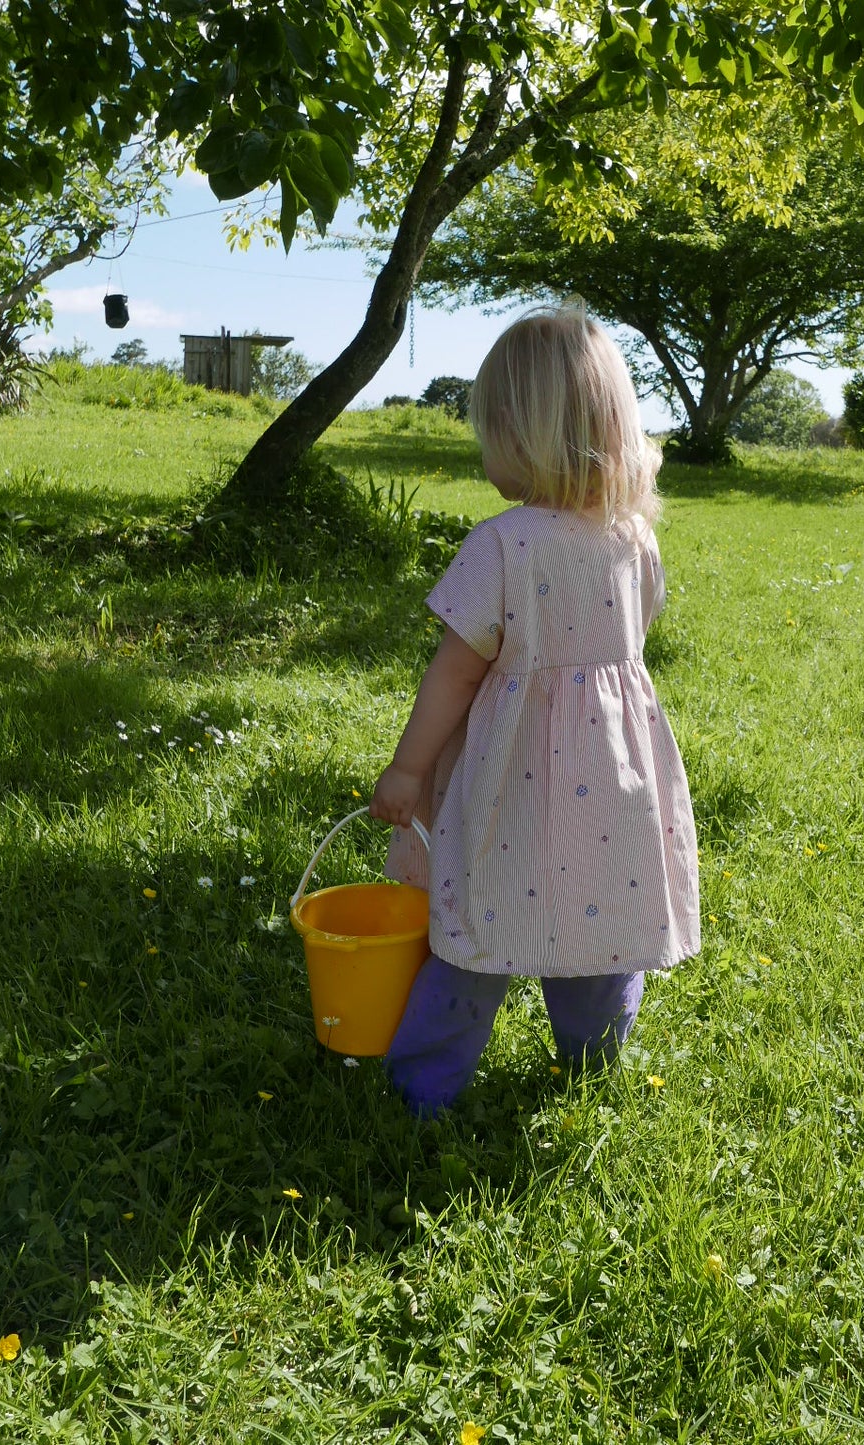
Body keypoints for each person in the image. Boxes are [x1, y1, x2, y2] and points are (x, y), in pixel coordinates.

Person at [369, 305, 700, 1114]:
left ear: (520, 434)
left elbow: (452, 676)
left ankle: (423, 1090)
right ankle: (592, 1070)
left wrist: (408, 768)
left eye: (488, 431)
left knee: (475, 924)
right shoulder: (633, 539)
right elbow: (632, 640)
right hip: (612, 776)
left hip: (509, 775)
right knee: (598, 921)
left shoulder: (502, 544)